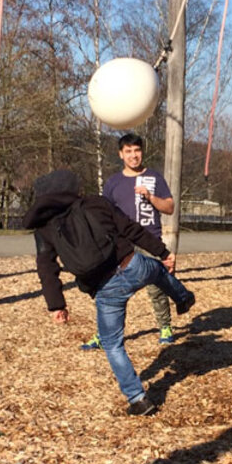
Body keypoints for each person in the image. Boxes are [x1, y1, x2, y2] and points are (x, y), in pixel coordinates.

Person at [23, 169, 195, 416]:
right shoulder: (95, 203)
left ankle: (138, 399)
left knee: (113, 344)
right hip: (132, 265)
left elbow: (46, 268)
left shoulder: (44, 230)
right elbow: (131, 229)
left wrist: (57, 305)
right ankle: (183, 297)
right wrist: (163, 252)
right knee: (156, 270)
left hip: (105, 289)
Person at [81, 132, 176, 350]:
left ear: (142, 152)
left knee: (156, 288)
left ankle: (165, 327)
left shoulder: (154, 178)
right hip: (121, 244)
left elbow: (170, 207)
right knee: (110, 289)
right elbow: (103, 213)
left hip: (150, 241)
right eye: (129, 151)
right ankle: (103, 333)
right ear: (121, 154)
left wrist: (151, 197)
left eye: (137, 150)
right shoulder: (113, 182)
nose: (134, 155)